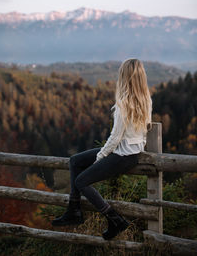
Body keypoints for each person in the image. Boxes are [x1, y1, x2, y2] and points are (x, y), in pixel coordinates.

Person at [51, 58, 152, 240]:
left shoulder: (123, 104)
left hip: (121, 154)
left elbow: (115, 137)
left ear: (124, 77)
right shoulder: (146, 100)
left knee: (81, 182)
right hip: (131, 153)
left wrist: (101, 156)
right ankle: (73, 210)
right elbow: (145, 128)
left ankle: (115, 220)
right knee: (75, 161)